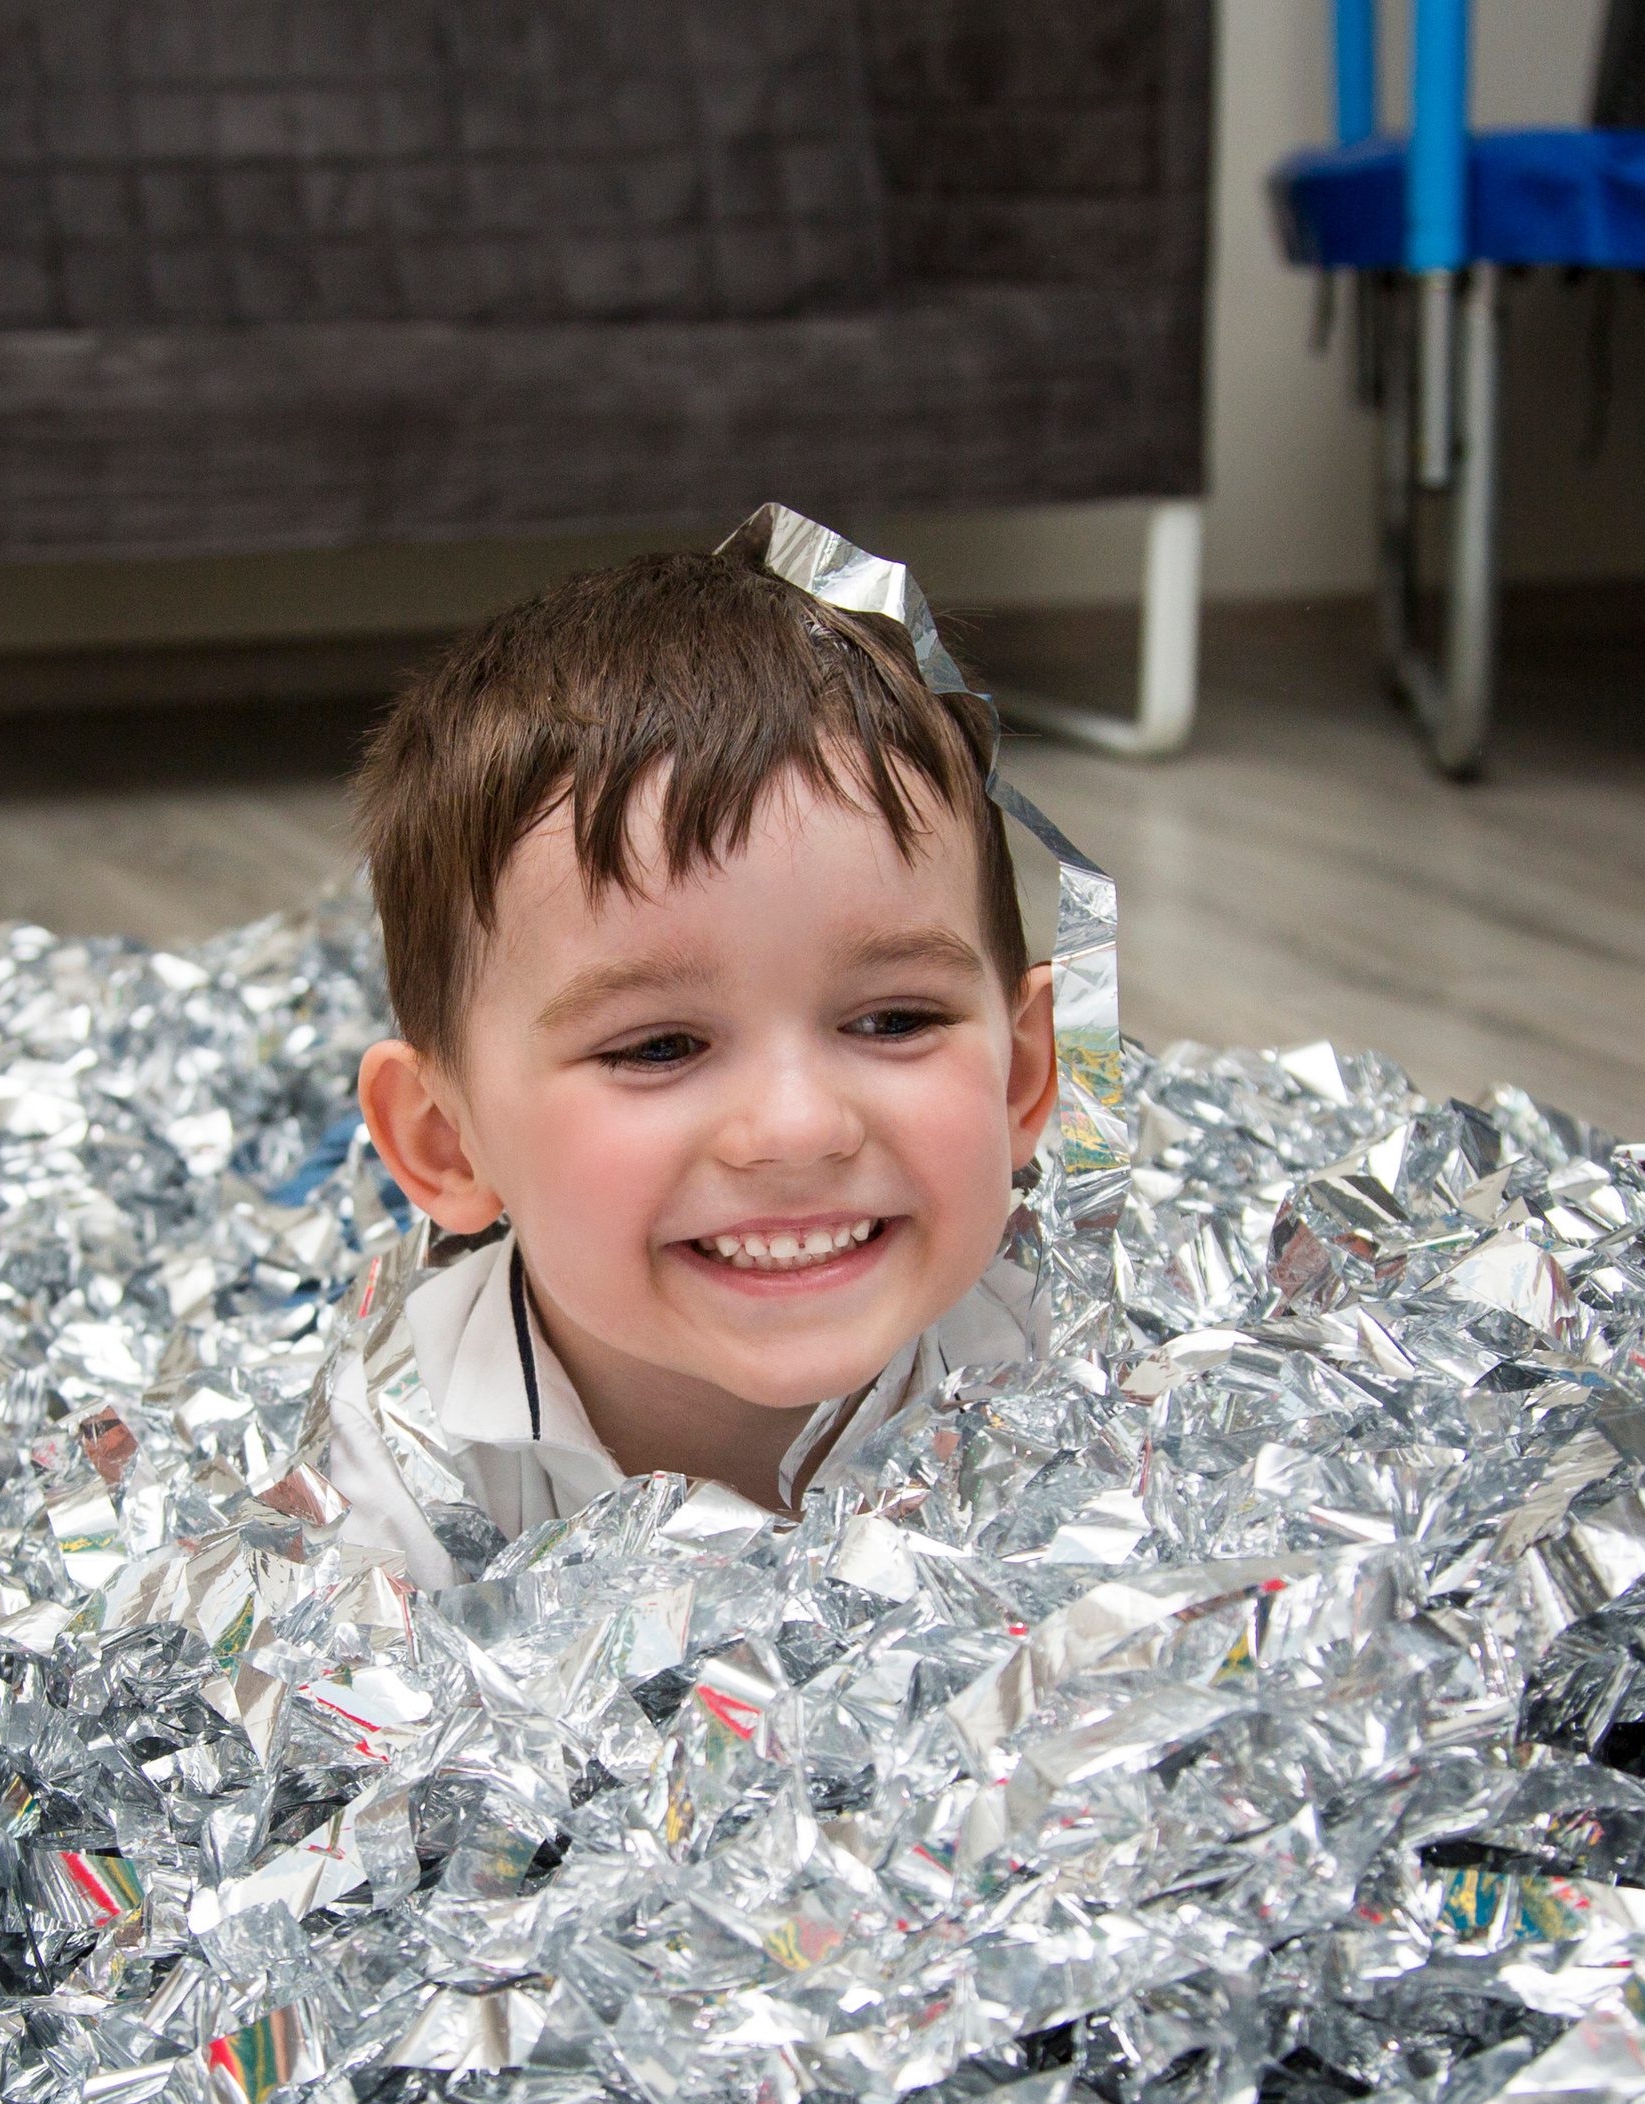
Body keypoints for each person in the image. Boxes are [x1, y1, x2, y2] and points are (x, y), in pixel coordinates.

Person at [314, 506, 1090, 1588]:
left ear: (1023, 1074)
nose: (797, 1126)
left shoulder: (1070, 1375)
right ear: (446, 1144)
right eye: (660, 1044)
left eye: (893, 1020)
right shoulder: (398, 1461)